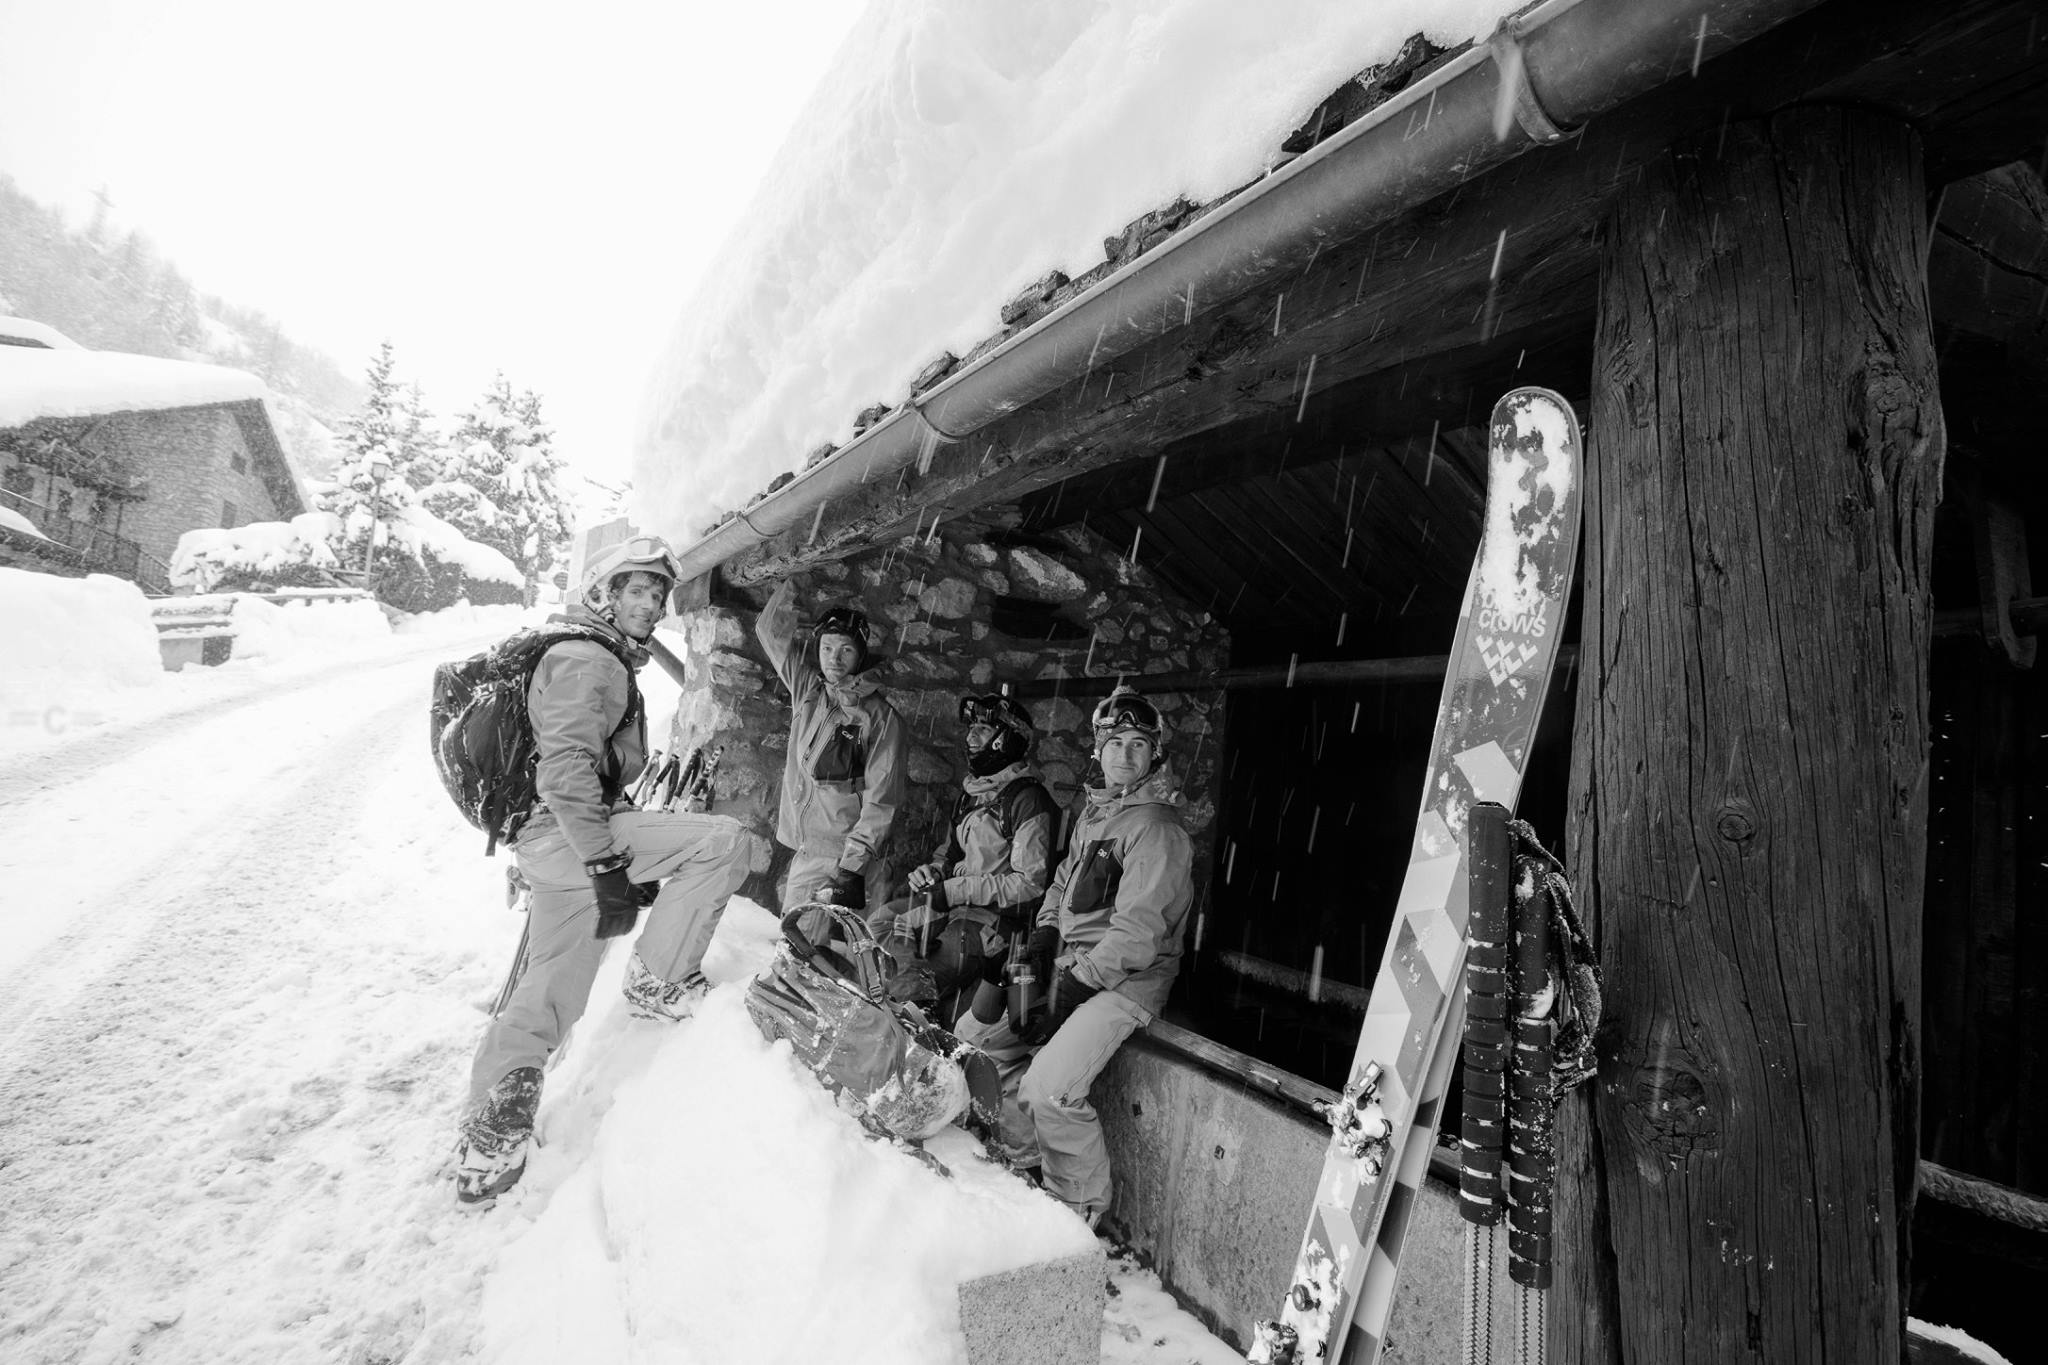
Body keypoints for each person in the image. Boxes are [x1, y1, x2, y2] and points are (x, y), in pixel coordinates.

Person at [455, 536, 753, 1204]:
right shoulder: (590, 659)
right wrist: (606, 861)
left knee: (549, 989)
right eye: (636, 590)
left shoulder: (582, 653)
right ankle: (659, 979)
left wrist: (608, 855)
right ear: (603, 595)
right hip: (568, 838)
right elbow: (565, 771)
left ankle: (491, 1133)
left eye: (658, 594)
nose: (651, 604)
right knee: (725, 841)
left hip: (549, 844)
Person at [956, 684, 1194, 1228]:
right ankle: (1022, 1161)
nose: (1125, 755)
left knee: (1050, 1090)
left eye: (1138, 745)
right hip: (1074, 963)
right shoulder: (1098, 812)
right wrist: (1044, 937)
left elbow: (1136, 937)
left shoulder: (1157, 830)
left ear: (1155, 754)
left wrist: (1071, 990)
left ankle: (1076, 1213)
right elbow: (1062, 883)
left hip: (1126, 983)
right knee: (978, 1041)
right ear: (1098, 750)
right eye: (1115, 744)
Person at [873, 693, 1058, 1022]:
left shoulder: (1028, 800)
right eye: (971, 728)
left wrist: (955, 890)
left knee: (919, 976)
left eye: (983, 730)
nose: (971, 737)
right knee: (881, 923)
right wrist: (932, 874)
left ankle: (916, 1011)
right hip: (953, 906)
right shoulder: (972, 794)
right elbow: (949, 855)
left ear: (1007, 740)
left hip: (991, 922)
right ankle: (914, 997)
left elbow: (1029, 887)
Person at [755, 579, 906, 936]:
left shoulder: (880, 719)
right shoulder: (808, 692)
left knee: (825, 955)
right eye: (826, 648)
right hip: (808, 852)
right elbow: (769, 632)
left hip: (847, 859)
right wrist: (797, 579)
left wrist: (851, 867)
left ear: (861, 655)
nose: (834, 659)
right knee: (801, 951)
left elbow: (882, 800)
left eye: (845, 650)